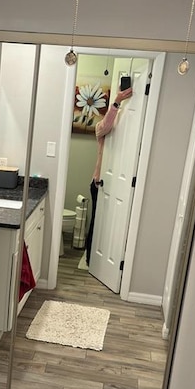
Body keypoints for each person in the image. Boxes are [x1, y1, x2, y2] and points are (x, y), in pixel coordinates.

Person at [85, 85, 133, 264]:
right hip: (99, 183)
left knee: (111, 225)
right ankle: (92, 260)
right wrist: (117, 101)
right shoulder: (100, 128)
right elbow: (106, 125)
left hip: (118, 185)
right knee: (97, 223)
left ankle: (103, 263)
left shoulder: (126, 131)